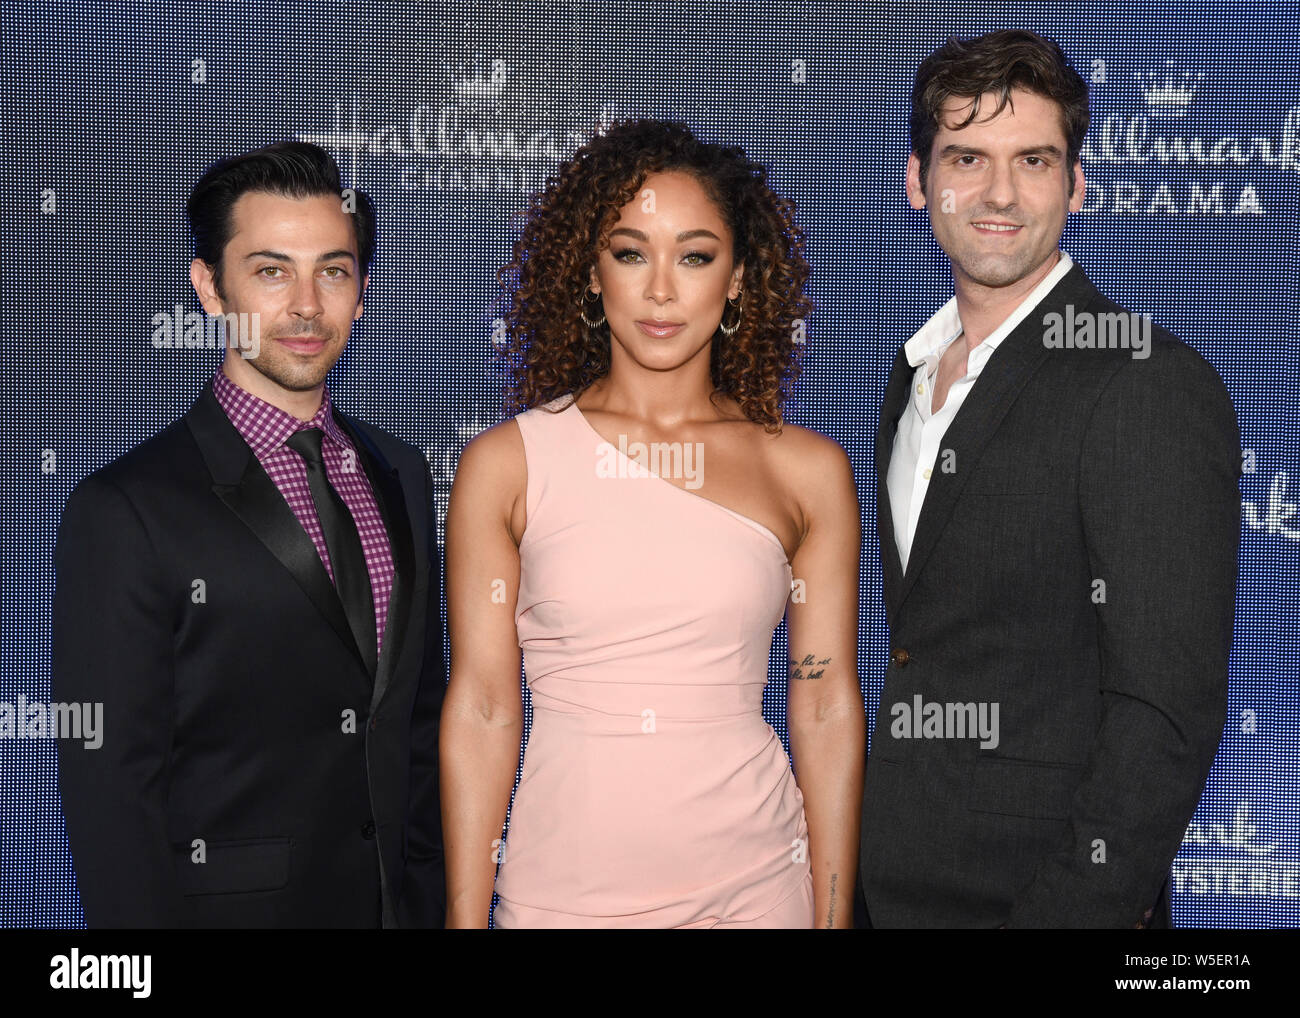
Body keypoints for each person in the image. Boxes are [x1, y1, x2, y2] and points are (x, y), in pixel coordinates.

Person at [442, 119, 863, 928]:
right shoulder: (507, 465)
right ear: (591, 275)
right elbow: (485, 708)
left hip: (758, 885)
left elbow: (825, 705)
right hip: (561, 889)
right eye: (631, 253)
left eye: (695, 256)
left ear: (738, 278)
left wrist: (833, 918)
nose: (662, 290)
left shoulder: (805, 471)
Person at [861, 30, 1240, 928]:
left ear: (1076, 184)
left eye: (1033, 159)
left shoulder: (1141, 378)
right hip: (893, 891)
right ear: (918, 182)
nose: (999, 193)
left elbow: (1165, 716)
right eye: (967, 158)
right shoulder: (913, 376)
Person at [52, 141, 447, 928]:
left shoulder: (400, 474)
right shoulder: (125, 509)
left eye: (333, 271)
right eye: (271, 271)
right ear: (209, 286)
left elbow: (417, 733)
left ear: (363, 291)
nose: (307, 305)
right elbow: (112, 798)